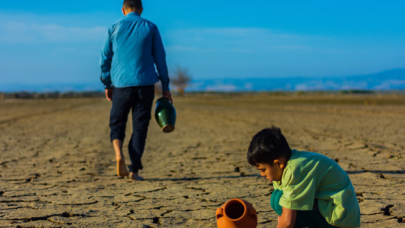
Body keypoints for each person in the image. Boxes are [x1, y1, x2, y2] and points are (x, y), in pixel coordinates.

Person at [100, 0, 172, 181]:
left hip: (120, 84)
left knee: (117, 122)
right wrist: (165, 86)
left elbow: (104, 60)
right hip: (145, 85)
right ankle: (134, 171)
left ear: (123, 10)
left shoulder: (113, 28)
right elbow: (161, 59)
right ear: (141, 9)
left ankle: (118, 154)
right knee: (140, 127)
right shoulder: (151, 27)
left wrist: (107, 85)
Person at [247, 126, 361, 228]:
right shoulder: (286, 166)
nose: (262, 174)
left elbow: (287, 222)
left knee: (278, 200)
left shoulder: (294, 170)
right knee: (278, 198)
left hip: (340, 219)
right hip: (331, 211)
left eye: (263, 170)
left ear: (278, 163)